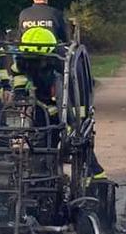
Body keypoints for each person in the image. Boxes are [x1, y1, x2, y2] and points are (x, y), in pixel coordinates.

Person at [13, 24, 106, 188]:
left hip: (68, 109)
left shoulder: (66, 65)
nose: (33, 63)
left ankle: (96, 179)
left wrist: (75, 123)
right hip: (43, 106)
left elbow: (76, 98)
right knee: (41, 147)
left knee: (78, 144)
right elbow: (18, 71)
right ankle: (43, 181)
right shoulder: (24, 57)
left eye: (38, 60)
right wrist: (20, 91)